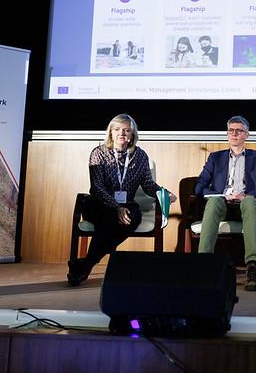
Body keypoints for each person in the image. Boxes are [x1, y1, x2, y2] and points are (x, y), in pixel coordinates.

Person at [67, 114, 177, 286]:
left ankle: (85, 264)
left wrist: (164, 193)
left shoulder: (140, 156)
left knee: (133, 218)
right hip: (99, 203)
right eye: (117, 129)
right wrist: (116, 207)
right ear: (110, 133)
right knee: (111, 218)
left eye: (126, 130)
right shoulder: (98, 153)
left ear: (133, 135)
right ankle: (86, 266)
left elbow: (148, 185)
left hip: (126, 204)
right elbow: (97, 188)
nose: (122, 134)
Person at [194, 115, 256, 291]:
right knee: (213, 203)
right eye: (231, 130)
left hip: (246, 205)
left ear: (247, 135)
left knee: (250, 201)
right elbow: (200, 186)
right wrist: (218, 195)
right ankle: (203, 264)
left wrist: (247, 196)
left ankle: (252, 267)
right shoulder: (216, 158)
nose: (234, 134)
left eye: (239, 131)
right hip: (223, 203)